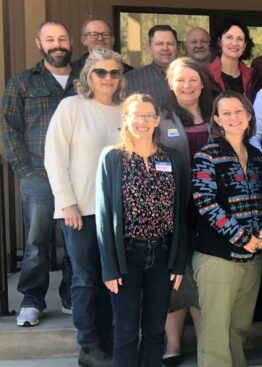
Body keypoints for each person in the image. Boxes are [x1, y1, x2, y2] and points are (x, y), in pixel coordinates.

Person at [44, 47, 126, 367]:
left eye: (114, 72)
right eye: (100, 72)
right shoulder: (71, 107)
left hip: (118, 213)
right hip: (80, 210)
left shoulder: (126, 110)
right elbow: (54, 157)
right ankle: (89, 346)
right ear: (88, 75)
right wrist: (67, 202)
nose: (108, 78)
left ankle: (107, 341)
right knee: (85, 278)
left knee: (113, 278)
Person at [96, 93, 189, 367]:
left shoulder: (172, 158)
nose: (143, 121)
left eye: (148, 115)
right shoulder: (113, 158)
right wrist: (109, 267)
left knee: (155, 330)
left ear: (157, 120)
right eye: (136, 115)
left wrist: (178, 262)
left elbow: (181, 212)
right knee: (126, 331)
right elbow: (104, 215)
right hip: (126, 255)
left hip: (161, 254)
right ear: (125, 119)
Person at [1, 21, 77, 327]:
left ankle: (71, 296)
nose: (57, 44)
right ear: (39, 44)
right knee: (36, 242)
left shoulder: (85, 79)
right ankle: (32, 300)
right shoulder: (21, 82)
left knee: (75, 240)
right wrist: (24, 170)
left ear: (70, 41)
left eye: (62, 38)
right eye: (50, 39)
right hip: (39, 175)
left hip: (77, 174)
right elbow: (9, 128)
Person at [191, 90, 262, 367]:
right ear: (217, 119)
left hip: (253, 257)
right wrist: (241, 237)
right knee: (215, 333)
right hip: (218, 257)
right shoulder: (207, 154)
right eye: (226, 113)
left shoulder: (257, 156)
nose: (233, 117)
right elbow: (205, 201)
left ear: (249, 115)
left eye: (238, 111)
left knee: (238, 330)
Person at [158, 57, 213, 366]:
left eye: (193, 79)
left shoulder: (216, 114)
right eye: (180, 80)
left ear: (202, 83)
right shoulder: (160, 117)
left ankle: (207, 343)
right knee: (176, 276)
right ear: (170, 84)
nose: (187, 85)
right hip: (176, 208)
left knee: (204, 277)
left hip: (211, 209)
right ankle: (173, 344)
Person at [126, 25, 178, 106]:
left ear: (176, 46)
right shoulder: (131, 78)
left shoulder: (191, 75)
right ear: (150, 47)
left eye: (170, 43)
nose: (165, 48)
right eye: (159, 44)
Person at [207, 20, 254, 96]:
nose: (234, 43)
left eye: (240, 39)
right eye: (229, 37)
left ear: (245, 45)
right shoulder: (206, 74)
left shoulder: (252, 77)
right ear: (219, 42)